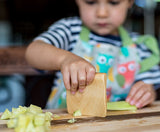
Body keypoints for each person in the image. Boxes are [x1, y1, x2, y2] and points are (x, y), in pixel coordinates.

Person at [25, 0, 160, 109]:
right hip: (62, 125)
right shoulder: (70, 30)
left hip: (117, 130)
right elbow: (33, 51)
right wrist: (65, 59)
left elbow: (149, 86)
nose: (101, 13)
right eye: (90, 2)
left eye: (113, 3)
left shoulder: (140, 46)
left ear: (130, 2)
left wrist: (147, 92)